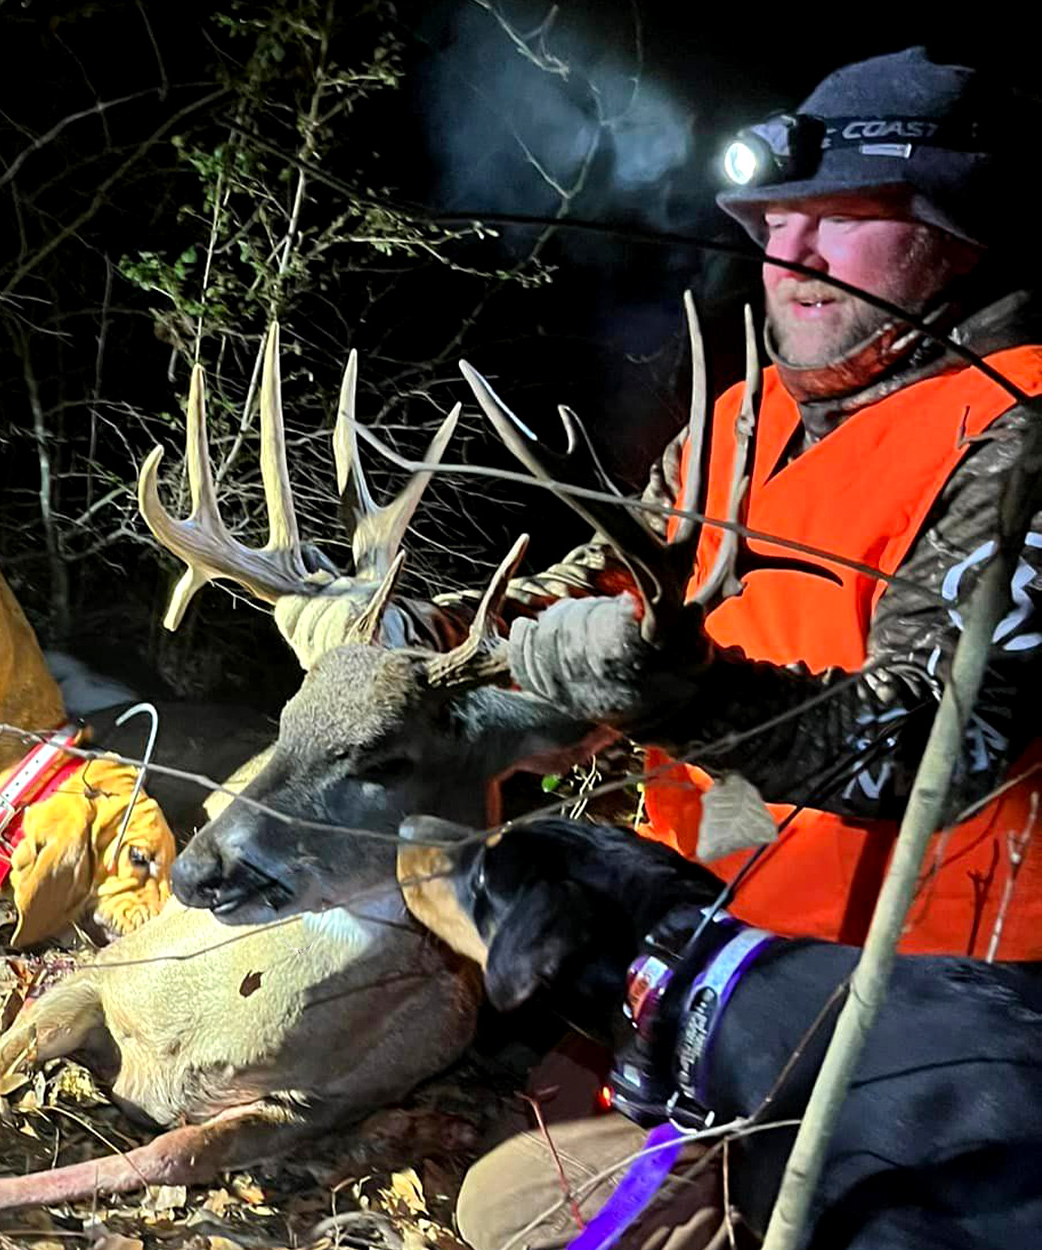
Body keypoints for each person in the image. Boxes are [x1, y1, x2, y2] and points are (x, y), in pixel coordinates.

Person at [457, 46, 1041, 1249]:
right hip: (712, 962)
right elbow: (604, 588)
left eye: (850, 223)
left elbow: (933, 739)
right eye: (779, 222)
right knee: (507, 1185)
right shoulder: (746, 419)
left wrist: (683, 695)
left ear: (962, 236)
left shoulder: (1017, 435)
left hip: (936, 1021)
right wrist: (430, 641)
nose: (797, 258)